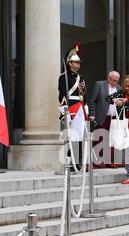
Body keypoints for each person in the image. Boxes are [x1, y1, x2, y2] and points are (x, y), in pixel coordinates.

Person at [58, 43, 87, 171]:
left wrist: (82, 91)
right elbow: (63, 95)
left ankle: (79, 161)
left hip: (80, 107)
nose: (78, 65)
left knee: (81, 135)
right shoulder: (63, 77)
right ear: (69, 63)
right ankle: (71, 162)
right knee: (72, 135)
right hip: (71, 108)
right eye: (75, 62)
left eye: (79, 62)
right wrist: (65, 111)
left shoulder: (80, 78)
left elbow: (83, 94)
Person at [88, 71, 122, 168]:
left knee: (112, 140)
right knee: (100, 139)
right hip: (102, 116)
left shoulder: (118, 88)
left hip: (114, 117)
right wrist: (92, 114)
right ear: (108, 78)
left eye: (116, 81)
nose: (114, 82)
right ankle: (97, 161)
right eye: (112, 80)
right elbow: (92, 101)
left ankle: (109, 161)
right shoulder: (99, 85)